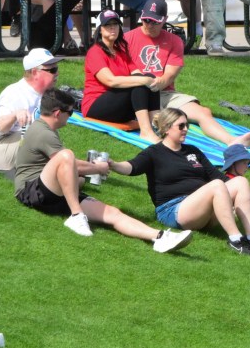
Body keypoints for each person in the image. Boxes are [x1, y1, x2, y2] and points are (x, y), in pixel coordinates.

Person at [14, 88, 194, 252]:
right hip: (32, 190)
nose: (70, 116)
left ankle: (160, 237)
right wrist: (97, 168)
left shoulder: (46, 129)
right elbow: (67, 161)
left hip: (51, 192)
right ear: (57, 113)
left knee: (112, 213)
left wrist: (82, 175)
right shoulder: (43, 132)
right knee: (66, 155)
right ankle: (77, 215)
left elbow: (67, 166)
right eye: (70, 112)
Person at [110, 107, 250, 256]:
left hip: (202, 210)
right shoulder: (153, 153)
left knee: (240, 181)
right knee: (216, 186)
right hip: (174, 210)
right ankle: (235, 239)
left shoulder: (193, 151)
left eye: (187, 125)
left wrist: (247, 193)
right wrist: (113, 164)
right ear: (166, 128)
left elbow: (217, 176)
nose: (186, 129)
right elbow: (131, 167)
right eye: (181, 126)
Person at [124, 0, 250, 147]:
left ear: (165, 20)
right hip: (138, 94)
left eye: (155, 21)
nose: (149, 25)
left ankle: (232, 141)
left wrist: (157, 83)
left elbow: (169, 76)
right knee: (168, 120)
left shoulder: (174, 41)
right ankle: (157, 133)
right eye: (146, 20)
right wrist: (144, 83)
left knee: (204, 112)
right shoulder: (127, 39)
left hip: (165, 92)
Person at [82, 10, 164, 142]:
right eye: (108, 25)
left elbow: (137, 73)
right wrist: (144, 80)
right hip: (95, 107)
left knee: (148, 78)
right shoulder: (95, 52)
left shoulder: (120, 51)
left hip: (118, 107)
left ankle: (156, 126)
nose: (113, 28)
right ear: (99, 30)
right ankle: (146, 132)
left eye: (115, 24)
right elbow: (111, 81)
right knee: (140, 82)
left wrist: (152, 80)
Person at [0, 48, 62, 170]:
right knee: (39, 136)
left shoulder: (50, 95)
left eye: (56, 68)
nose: (57, 73)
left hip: (29, 146)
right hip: (0, 149)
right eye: (52, 70)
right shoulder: (14, 93)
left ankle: (70, 168)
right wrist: (14, 115)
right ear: (35, 72)